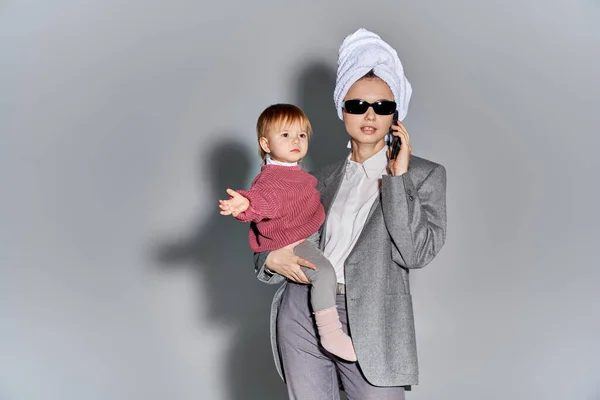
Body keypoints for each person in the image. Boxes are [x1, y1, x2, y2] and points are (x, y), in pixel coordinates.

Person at [253, 28, 448, 399]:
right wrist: (270, 258)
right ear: (342, 108)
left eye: (382, 106)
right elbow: (272, 231)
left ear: (397, 113)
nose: (369, 115)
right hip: (302, 310)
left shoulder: (424, 176)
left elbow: (416, 252)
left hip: (374, 321)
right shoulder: (318, 177)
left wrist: (398, 178)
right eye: (358, 105)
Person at [219, 103, 357, 361]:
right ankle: (331, 334)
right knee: (324, 273)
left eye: (301, 135)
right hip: (295, 242)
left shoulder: (294, 173)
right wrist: (246, 205)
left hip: (309, 234)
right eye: (285, 135)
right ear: (266, 144)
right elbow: (265, 200)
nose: (296, 140)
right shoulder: (272, 178)